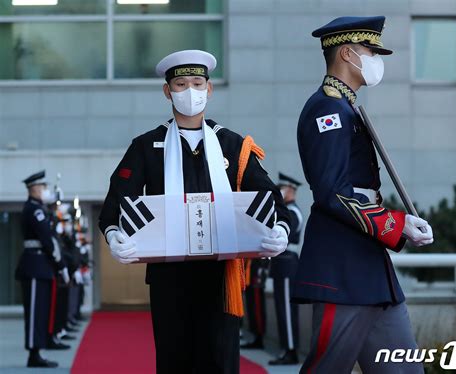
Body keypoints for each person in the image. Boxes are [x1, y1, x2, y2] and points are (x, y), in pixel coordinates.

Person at [98, 50, 291, 374]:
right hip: (168, 278)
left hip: (222, 275)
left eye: (197, 83)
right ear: (167, 91)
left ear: (209, 89)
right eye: (181, 83)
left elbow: (271, 197)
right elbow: (114, 204)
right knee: (175, 360)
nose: (190, 91)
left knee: (222, 360)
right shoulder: (147, 146)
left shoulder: (233, 145)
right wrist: (115, 234)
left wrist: (280, 230)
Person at [293, 16, 434, 373]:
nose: (375, 60)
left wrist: (399, 223)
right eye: (370, 51)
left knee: (404, 368)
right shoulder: (328, 109)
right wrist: (395, 225)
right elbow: (333, 193)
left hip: (369, 265)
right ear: (346, 53)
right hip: (342, 266)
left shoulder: (346, 106)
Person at [15, 171, 70, 368]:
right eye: (43, 187)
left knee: (41, 312)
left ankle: (39, 349)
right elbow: (48, 239)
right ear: (35, 189)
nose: (45, 191)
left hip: (42, 266)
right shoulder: (33, 209)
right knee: (34, 313)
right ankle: (33, 353)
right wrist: (61, 264)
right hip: (35, 265)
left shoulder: (39, 208)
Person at [268, 173, 303, 365]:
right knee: (282, 308)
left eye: (283, 188)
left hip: (288, 263)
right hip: (282, 264)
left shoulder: (293, 211)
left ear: (290, 190)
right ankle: (286, 348)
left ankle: (291, 350)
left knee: (288, 310)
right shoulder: (285, 209)